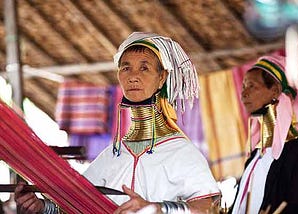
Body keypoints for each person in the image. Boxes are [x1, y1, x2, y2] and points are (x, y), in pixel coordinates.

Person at [14, 32, 221, 213]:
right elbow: (78, 208)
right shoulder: (113, 154)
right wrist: (42, 208)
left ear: (162, 78)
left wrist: (158, 209)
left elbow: (210, 209)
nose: (133, 77)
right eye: (126, 68)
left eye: (144, 68)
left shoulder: (180, 152)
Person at [230, 55, 298, 213]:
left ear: (275, 91)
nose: (243, 93)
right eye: (243, 86)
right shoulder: (255, 156)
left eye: (252, 86)